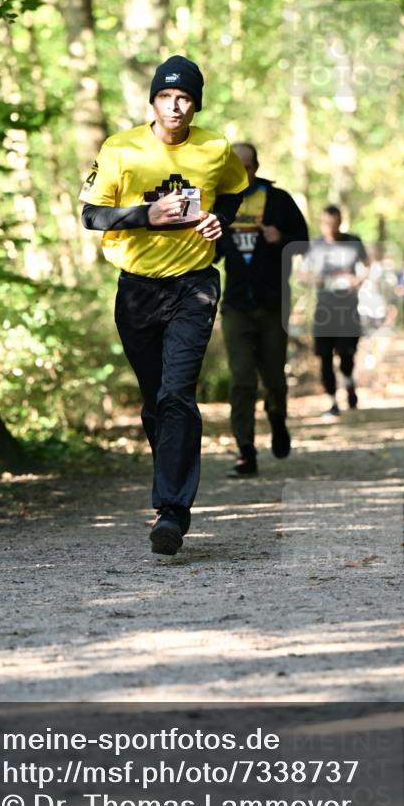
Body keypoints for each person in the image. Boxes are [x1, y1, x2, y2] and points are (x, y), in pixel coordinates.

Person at [80, 55, 247, 556]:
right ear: (152, 100)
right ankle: (169, 489)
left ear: (195, 104)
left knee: (177, 394)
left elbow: (237, 191)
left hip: (194, 285)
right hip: (137, 288)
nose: (174, 107)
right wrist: (146, 214)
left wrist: (220, 219)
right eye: (165, 97)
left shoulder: (216, 148)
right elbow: (90, 215)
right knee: (155, 401)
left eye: (184, 98)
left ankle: (171, 511)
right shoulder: (121, 148)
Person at [215, 142, 308, 477]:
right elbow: (209, 254)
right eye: (234, 167)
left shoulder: (278, 200)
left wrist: (280, 237)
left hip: (272, 304)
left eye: (247, 166)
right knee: (242, 380)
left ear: (257, 166)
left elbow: (305, 242)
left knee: (273, 379)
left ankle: (278, 420)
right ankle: (245, 452)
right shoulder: (221, 202)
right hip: (236, 305)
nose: (242, 172)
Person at [303, 206, 368, 419]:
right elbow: (302, 274)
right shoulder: (314, 245)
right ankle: (332, 402)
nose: (330, 228)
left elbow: (367, 267)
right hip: (324, 310)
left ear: (341, 222)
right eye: (326, 224)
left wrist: (356, 280)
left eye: (334, 224)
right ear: (322, 223)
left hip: (348, 309)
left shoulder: (353, 241)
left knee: (346, 356)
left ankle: (349, 384)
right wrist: (315, 279)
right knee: (325, 358)